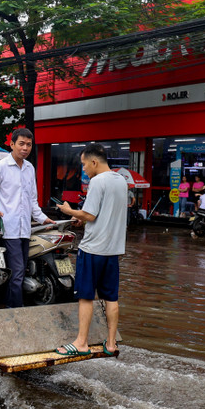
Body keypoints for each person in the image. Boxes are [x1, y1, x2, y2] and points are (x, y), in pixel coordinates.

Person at [55, 143, 127, 356]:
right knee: (111, 298)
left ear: (94, 162)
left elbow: (90, 215)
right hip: (113, 250)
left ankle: (81, 343)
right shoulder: (121, 181)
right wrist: (84, 219)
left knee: (85, 297)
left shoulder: (97, 181)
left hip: (93, 248)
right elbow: (104, 214)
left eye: (85, 164)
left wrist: (70, 211)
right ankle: (111, 343)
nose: (84, 169)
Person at [0, 128, 54, 308]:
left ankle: (12, 305)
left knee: (22, 271)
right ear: (12, 144)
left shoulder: (30, 168)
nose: (25, 148)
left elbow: (32, 199)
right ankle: (15, 309)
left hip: (25, 229)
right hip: (8, 228)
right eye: (21, 144)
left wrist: (43, 219)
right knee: (17, 272)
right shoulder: (0, 167)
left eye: (29, 145)